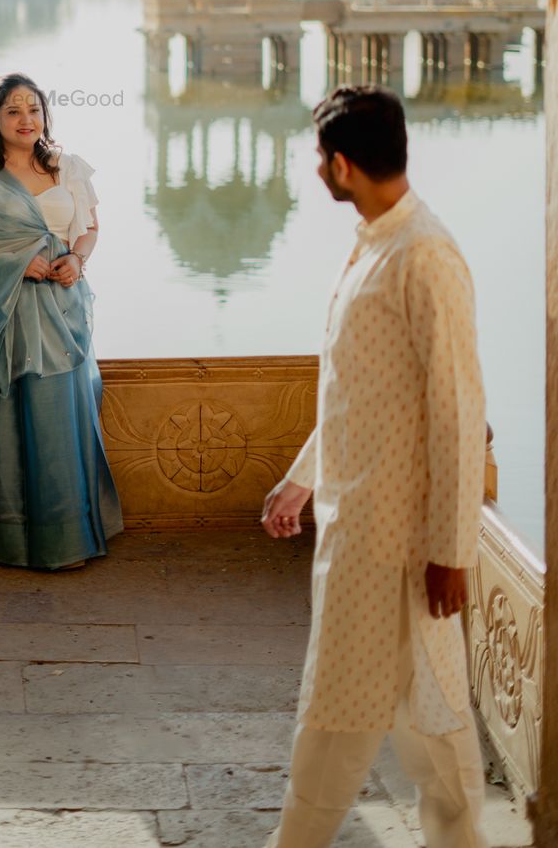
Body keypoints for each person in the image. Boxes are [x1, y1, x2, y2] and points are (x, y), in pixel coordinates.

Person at [260, 85, 488, 848]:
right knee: (419, 715)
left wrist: (452, 552)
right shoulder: (377, 243)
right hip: (359, 530)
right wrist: (303, 476)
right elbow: (362, 392)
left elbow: (457, 412)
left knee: (379, 714)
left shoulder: (424, 255)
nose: (317, 171)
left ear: (342, 164)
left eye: (320, 159)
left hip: (405, 543)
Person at [0, 71, 123, 569]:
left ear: (46, 115)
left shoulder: (68, 169)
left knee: (61, 413)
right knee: (10, 418)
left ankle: (68, 537)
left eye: (34, 109)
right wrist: (16, 261)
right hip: (8, 314)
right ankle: (7, 539)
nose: (26, 119)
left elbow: (90, 230)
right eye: (13, 110)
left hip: (63, 309)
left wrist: (77, 261)